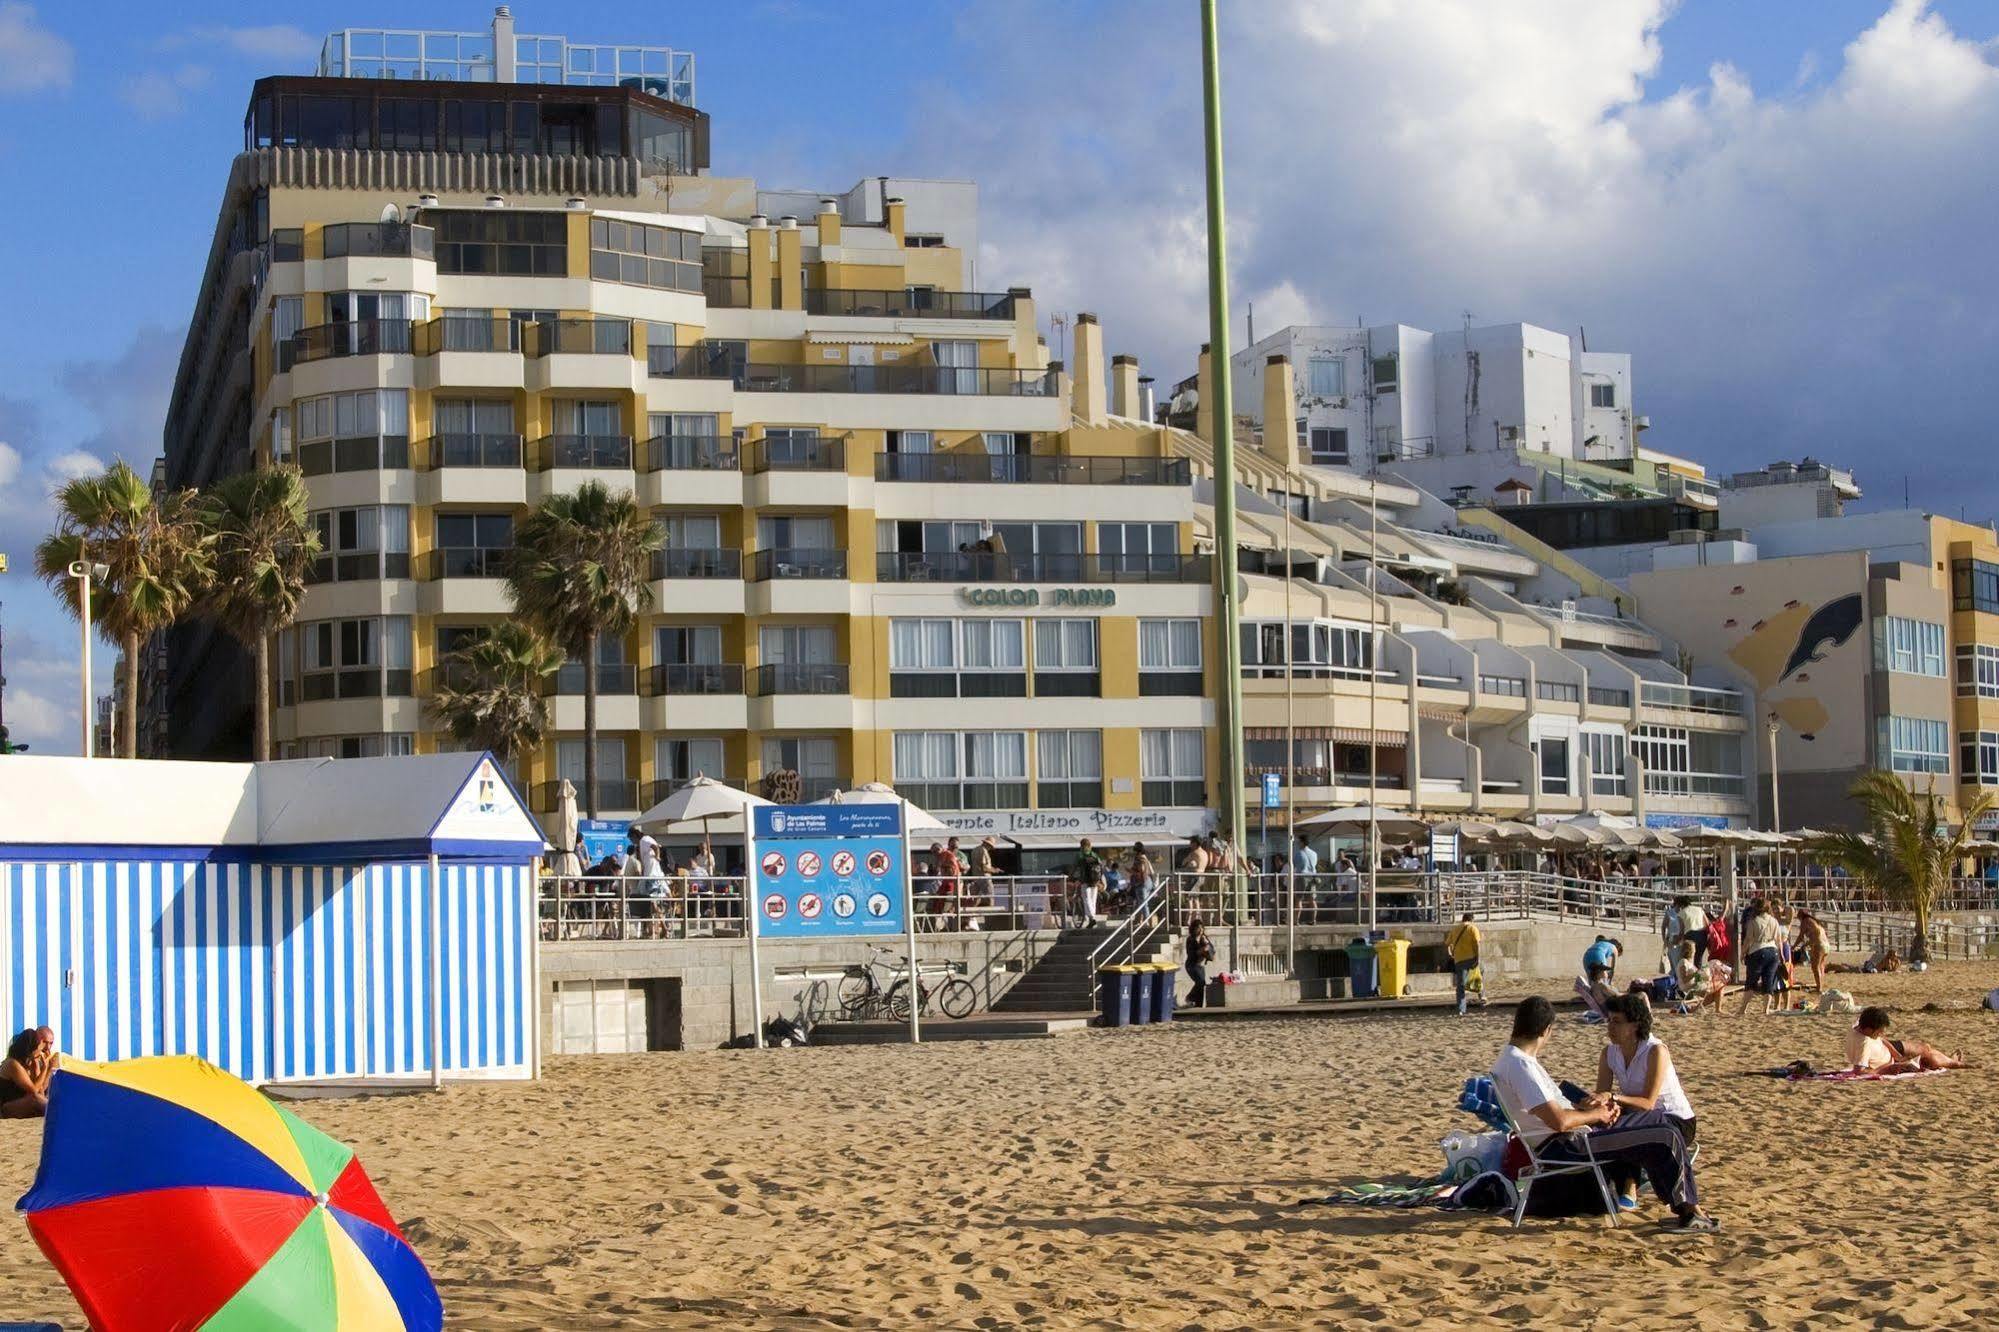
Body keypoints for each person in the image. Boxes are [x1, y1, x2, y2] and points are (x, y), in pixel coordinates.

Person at [1489, 997, 1716, 1230]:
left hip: (1567, 1139)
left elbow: (1554, 1114)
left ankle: (1685, 1208)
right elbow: (1559, 1121)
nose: (1610, 1027)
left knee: (1659, 1123)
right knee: (1664, 1134)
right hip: (1568, 1144)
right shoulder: (1521, 1066)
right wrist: (1597, 1115)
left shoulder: (1512, 1061)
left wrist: (1597, 1107)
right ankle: (1688, 1209)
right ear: (1546, 1030)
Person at [1596, 994, 1699, 1210]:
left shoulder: (1655, 1051)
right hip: (1637, 1115)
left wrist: (1615, 1098)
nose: (1610, 1027)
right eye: (1609, 1021)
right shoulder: (1609, 1053)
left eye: (1617, 1022)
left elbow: (1649, 1103)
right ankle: (1622, 1184)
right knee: (1604, 1121)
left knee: (1632, 1122)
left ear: (1634, 1025)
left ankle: (1630, 1185)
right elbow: (1602, 1094)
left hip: (1675, 1120)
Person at [1845, 1007, 1968, 1073]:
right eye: (1879, 1030)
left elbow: (1881, 1038)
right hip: (1887, 1059)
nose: (1881, 1033)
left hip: (1888, 1050)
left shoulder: (1857, 1026)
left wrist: (1897, 1056)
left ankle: (1948, 1059)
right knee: (1931, 1059)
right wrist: (1889, 1068)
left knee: (1925, 1047)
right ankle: (1953, 1062)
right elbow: (1859, 1072)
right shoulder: (1864, 1044)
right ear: (1869, 1029)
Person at [1735, 899, 1784, 1017]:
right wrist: (1781, 954)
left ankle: (1743, 1008)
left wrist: (1742, 954)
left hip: (1758, 950)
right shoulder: (1774, 921)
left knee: (1751, 981)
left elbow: (1748, 940)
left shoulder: (1753, 921)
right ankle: (1765, 1009)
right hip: (1773, 951)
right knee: (1768, 981)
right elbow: (1779, 939)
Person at [1, 1028, 48, 1119]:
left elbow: (40, 1092)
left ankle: (58, 1110)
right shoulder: (12, 1064)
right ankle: (58, 1112)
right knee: (34, 1100)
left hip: (21, 1104)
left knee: (40, 1099)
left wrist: (37, 1069)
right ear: (31, 1049)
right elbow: (34, 1092)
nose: (40, 1052)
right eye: (39, 1049)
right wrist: (45, 1069)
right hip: (6, 1109)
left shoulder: (29, 1064)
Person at [1444, 912, 1482, 1016]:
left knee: (1460, 985)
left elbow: (1447, 944)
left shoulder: (1455, 929)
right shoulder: (1473, 928)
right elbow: (1477, 944)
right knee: (1480, 973)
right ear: (1472, 920)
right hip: (1472, 958)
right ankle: (1481, 995)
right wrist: (1478, 958)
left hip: (1459, 960)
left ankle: (1461, 1009)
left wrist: (1450, 954)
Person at [1794, 908, 1830, 994]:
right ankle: (1820, 985)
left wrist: (1794, 946)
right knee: (1820, 966)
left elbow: (1801, 936)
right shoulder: (1815, 922)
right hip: (1826, 945)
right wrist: (1805, 945)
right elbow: (1816, 935)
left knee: (1815, 967)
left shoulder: (1805, 921)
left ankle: (1819, 988)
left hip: (1819, 945)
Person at [1184, 919, 1216, 1007]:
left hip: (1200, 966)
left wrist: (1207, 946)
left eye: (1202, 928)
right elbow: (1191, 954)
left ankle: (1198, 1005)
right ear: (1194, 929)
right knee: (1201, 982)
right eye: (1198, 928)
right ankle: (1190, 997)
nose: (1200, 930)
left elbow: (1212, 950)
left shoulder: (1204, 938)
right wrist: (1202, 949)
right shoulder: (1190, 939)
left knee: (1201, 986)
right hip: (1192, 965)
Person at [1075, 839, 1105, 926]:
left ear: (1081, 845)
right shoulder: (1094, 855)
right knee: (1093, 900)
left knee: (1086, 899)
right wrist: (1100, 881)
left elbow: (1076, 867)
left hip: (1085, 880)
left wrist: (1072, 876)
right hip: (1095, 881)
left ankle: (1091, 918)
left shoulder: (1080, 855)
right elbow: (1100, 868)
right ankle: (1093, 918)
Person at [1677, 895, 1711, 969]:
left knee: (1688, 957)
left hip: (1690, 935)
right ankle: (1697, 975)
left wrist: (1679, 940)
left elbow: (1682, 930)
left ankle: (1689, 975)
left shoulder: (1681, 913)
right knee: (1699, 958)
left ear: (1681, 905)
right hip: (1702, 935)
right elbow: (1707, 923)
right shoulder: (1699, 909)